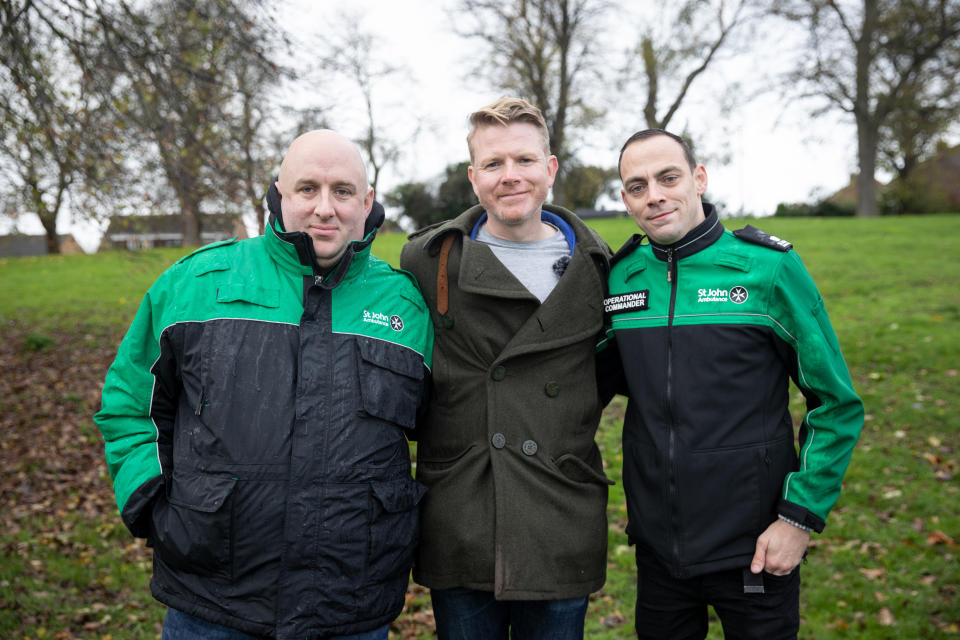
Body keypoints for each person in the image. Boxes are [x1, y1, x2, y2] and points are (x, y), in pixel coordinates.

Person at [94, 130, 434, 640]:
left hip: (351, 602)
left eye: (342, 191)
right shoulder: (196, 283)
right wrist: (151, 501)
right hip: (211, 600)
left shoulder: (405, 306)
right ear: (279, 193)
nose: (324, 208)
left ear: (367, 203)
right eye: (307, 189)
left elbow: (441, 428)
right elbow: (129, 404)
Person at [601, 128, 863, 639]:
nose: (654, 195)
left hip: (758, 547)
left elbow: (836, 404)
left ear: (698, 178)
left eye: (667, 177)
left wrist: (798, 519)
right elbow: (583, 382)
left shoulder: (768, 268)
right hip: (658, 550)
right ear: (626, 199)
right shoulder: (621, 278)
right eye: (636, 186)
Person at [399, 97, 613, 640]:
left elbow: (613, 374)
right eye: (494, 164)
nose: (509, 176)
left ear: (550, 169)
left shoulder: (601, 268)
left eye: (523, 160)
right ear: (474, 178)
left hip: (557, 510)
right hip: (465, 511)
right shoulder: (430, 260)